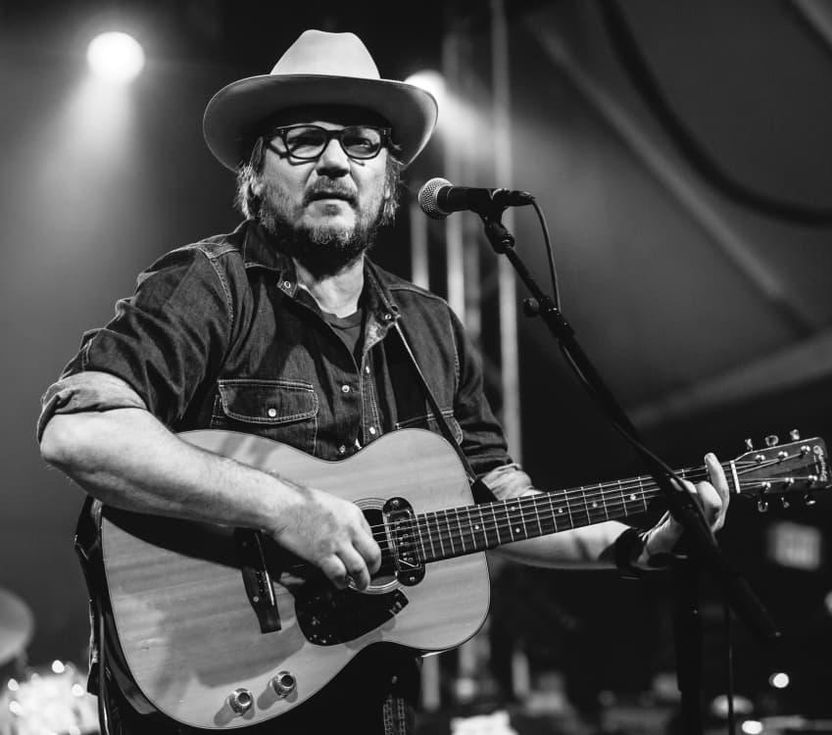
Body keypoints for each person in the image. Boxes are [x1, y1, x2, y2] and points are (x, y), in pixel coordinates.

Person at [37, 30, 729, 734]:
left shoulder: (430, 327)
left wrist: (638, 544)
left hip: (372, 700)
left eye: (361, 144)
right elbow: (78, 431)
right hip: (209, 694)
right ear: (255, 173)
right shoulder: (209, 285)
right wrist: (286, 508)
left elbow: (500, 502)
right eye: (303, 140)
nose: (335, 160)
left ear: (388, 178)